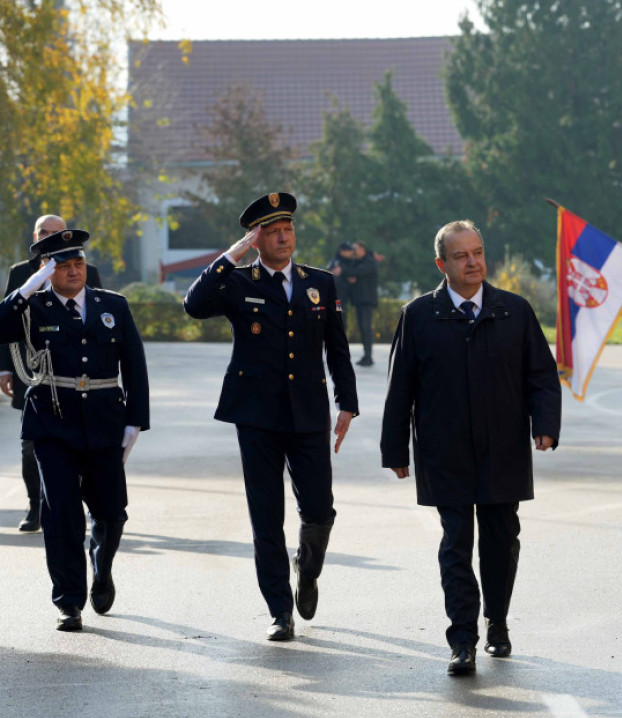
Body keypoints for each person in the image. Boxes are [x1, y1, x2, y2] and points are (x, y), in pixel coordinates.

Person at [380, 219, 561, 676]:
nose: (473, 262)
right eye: (461, 256)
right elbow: (400, 387)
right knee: (455, 545)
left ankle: (497, 620)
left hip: (503, 447)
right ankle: (462, 639)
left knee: (502, 540)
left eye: (478, 252)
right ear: (441, 264)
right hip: (446, 452)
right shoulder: (419, 315)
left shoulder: (513, 311)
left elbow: (541, 374)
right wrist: (395, 449)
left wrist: (546, 424)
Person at [183, 192, 359, 641]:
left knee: (319, 508)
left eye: (289, 230)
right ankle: (280, 611)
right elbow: (194, 304)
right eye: (273, 232)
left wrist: (347, 402)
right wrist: (232, 254)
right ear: (257, 239)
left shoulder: (319, 282)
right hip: (257, 415)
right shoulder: (238, 281)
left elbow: (337, 348)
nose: (284, 237)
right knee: (266, 516)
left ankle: (307, 567)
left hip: (308, 413)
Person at [0, 229, 148, 631]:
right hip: (52, 421)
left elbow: (134, 363)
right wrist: (25, 291)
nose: (73, 271)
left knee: (112, 513)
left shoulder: (112, 305)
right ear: (46, 271)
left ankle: (101, 564)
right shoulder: (33, 308)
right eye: (62, 266)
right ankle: (69, 600)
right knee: (62, 513)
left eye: (78, 263)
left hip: (104, 419)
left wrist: (136, 420)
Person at [0, 215, 102, 532]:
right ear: (36, 237)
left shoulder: (89, 272)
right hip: (31, 374)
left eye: (55, 232)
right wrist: (4, 367)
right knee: (31, 445)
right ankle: (35, 507)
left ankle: (75, 502)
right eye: (43, 232)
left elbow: (98, 323)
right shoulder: (21, 272)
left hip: (76, 375)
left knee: (78, 444)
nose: (49, 236)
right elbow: (7, 322)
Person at [349, 241, 379, 366]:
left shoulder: (369, 261)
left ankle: (368, 357)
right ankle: (366, 356)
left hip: (367, 301)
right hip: (361, 300)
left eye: (355, 250)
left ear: (362, 249)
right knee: (363, 328)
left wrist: (352, 273)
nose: (353, 252)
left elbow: (358, 271)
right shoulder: (360, 262)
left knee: (366, 329)